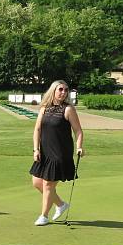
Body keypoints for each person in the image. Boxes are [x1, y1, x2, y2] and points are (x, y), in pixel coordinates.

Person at [29, 80, 84, 225]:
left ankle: (44, 216)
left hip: (60, 153)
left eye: (66, 90)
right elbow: (37, 130)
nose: (64, 92)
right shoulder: (44, 108)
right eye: (61, 89)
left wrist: (79, 146)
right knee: (36, 182)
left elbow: (78, 131)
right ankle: (60, 204)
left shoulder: (68, 109)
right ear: (53, 91)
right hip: (45, 152)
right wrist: (36, 149)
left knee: (48, 185)